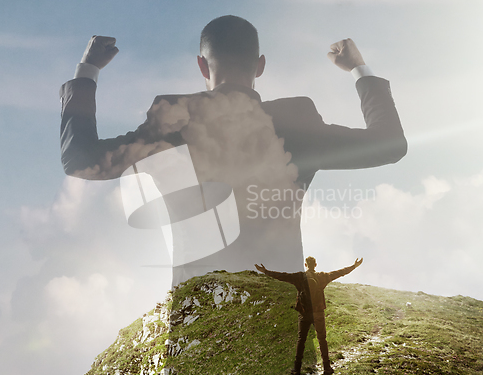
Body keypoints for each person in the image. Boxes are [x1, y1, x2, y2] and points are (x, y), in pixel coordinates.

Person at [59, 15, 407, 286]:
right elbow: (389, 145)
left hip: (197, 321)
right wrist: (359, 69)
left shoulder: (172, 118)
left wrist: (88, 71)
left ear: (201, 65)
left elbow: (80, 160)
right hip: (280, 314)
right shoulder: (296, 120)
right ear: (260, 65)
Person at [255, 256, 363, 375]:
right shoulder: (322, 276)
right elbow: (339, 273)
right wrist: (354, 266)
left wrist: (265, 271)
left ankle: (296, 369)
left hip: (304, 313)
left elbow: (282, 276)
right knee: (322, 340)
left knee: (301, 341)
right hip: (318, 313)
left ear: (305, 265)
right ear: (315, 265)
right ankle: (327, 368)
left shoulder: (299, 277)